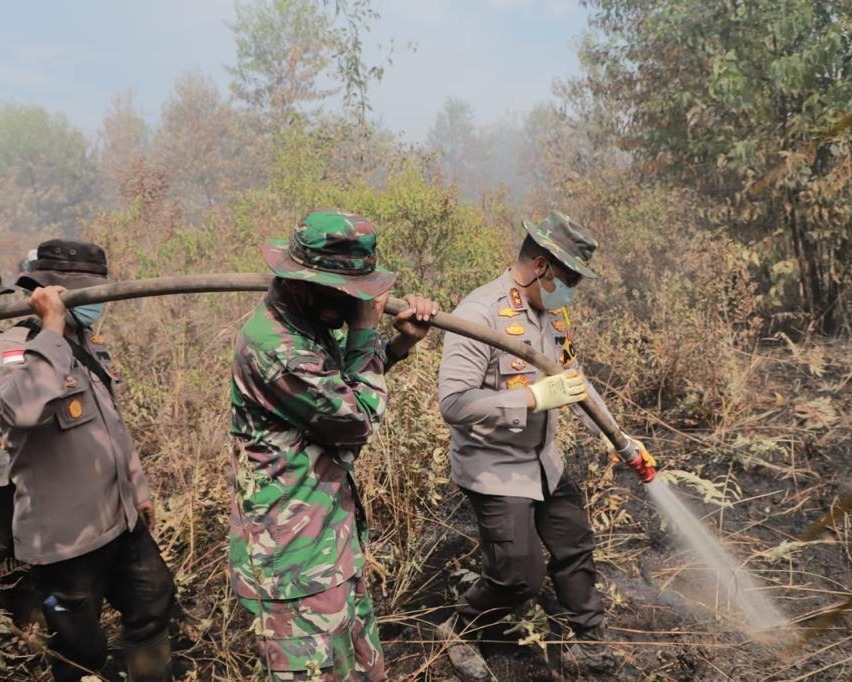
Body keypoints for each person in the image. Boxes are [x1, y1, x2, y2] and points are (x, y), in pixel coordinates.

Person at [437, 210, 651, 679]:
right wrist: (530, 397)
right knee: (519, 576)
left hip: (543, 462)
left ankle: (590, 645)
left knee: (575, 547)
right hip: (494, 467)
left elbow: (576, 383)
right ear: (540, 266)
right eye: (569, 278)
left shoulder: (552, 314)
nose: (571, 289)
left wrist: (621, 439)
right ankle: (460, 628)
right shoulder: (479, 313)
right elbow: (453, 403)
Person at [229, 209, 438, 680]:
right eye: (340, 293)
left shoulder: (307, 324)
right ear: (300, 281)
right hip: (291, 570)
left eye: (354, 294)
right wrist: (365, 328)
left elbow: (334, 387)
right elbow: (355, 421)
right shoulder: (273, 346)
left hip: (327, 549)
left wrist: (395, 347)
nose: (349, 303)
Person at [0, 239, 175, 682]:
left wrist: (137, 489)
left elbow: (111, 425)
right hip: (66, 538)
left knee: (154, 602)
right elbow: (23, 410)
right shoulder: (17, 346)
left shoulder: (86, 343)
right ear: (48, 291)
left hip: (118, 518)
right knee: (80, 646)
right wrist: (52, 331)